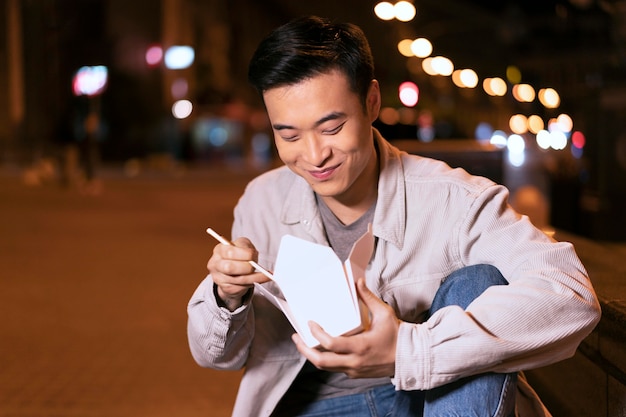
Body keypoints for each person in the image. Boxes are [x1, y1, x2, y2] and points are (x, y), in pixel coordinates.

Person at [187, 16, 601, 417]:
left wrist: (408, 350)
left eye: (331, 128)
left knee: (478, 281)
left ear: (371, 102)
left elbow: (572, 296)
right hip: (309, 407)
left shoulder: (454, 200)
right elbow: (215, 357)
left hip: (426, 398)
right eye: (289, 135)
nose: (313, 156)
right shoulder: (262, 201)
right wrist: (227, 296)